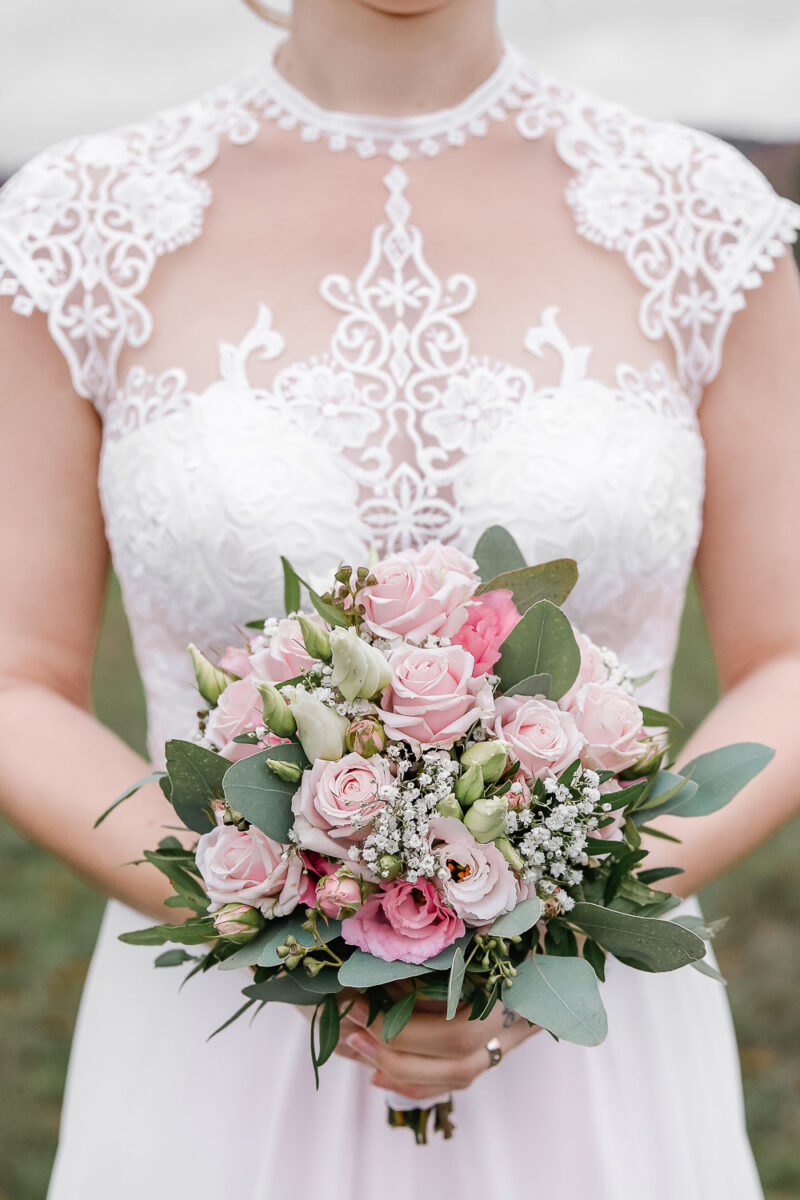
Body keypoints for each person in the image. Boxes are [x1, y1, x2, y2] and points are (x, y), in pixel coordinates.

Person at [1, 1, 799, 1196]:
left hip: (591, 1033)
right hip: (219, 1047)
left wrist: (552, 909)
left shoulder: (697, 212)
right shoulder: (78, 222)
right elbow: (15, 677)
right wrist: (294, 909)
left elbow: (788, 654)